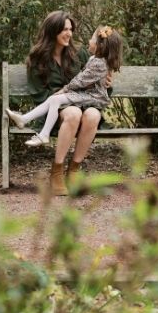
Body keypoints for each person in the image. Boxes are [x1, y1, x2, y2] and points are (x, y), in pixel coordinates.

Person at [17, 11, 108, 196]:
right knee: (73, 113)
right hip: (55, 110)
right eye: (64, 29)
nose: (69, 33)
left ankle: (74, 170)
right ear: (52, 31)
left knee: (94, 115)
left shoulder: (80, 53)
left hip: (86, 102)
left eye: (70, 29)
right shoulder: (38, 58)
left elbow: (94, 79)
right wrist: (64, 99)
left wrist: (106, 83)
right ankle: (57, 171)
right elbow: (39, 93)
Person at [8, 25, 124, 146]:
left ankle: (42, 134)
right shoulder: (94, 59)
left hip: (93, 97)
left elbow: (81, 80)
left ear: (100, 45)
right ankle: (25, 120)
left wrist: (65, 89)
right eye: (65, 29)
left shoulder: (98, 63)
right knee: (54, 99)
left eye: (92, 39)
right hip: (88, 95)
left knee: (55, 99)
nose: (89, 41)